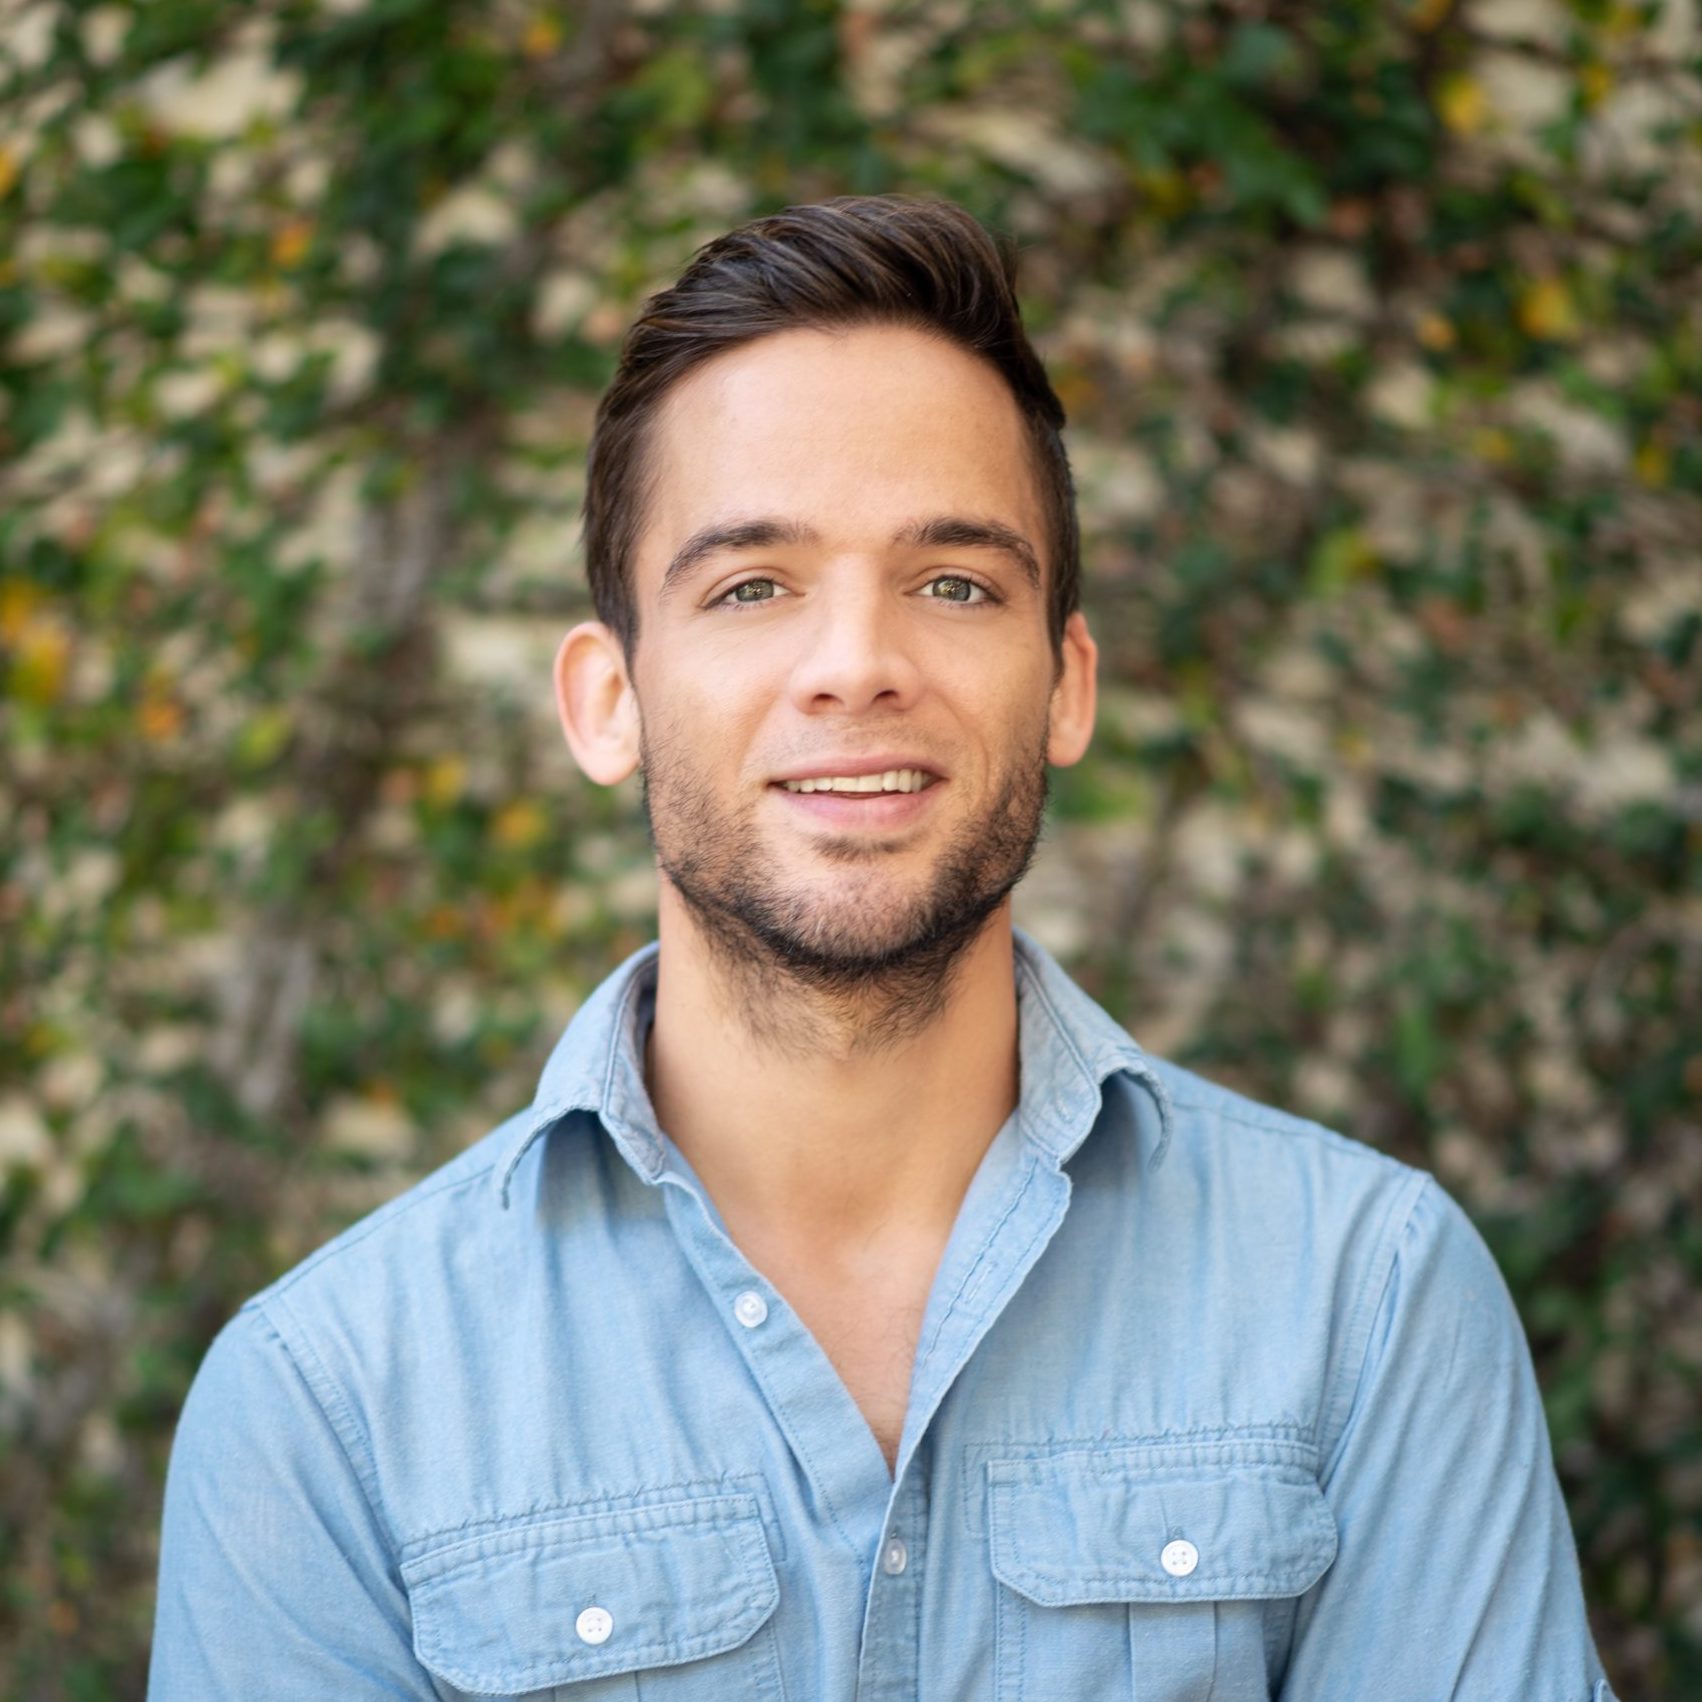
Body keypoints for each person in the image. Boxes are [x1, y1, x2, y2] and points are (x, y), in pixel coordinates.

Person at [148, 195, 1616, 1700]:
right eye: (751, 587)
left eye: (953, 583)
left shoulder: (1365, 1295)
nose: (855, 666)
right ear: (608, 701)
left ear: (1066, 683)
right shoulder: (328, 1406)